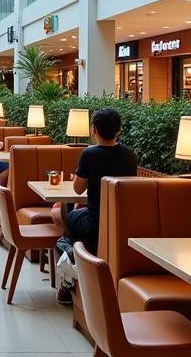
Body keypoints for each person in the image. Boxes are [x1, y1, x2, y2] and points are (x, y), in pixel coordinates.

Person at [52, 106, 137, 259]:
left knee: (60, 213)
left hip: (94, 224)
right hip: (122, 223)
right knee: (79, 211)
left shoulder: (89, 154)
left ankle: (77, 249)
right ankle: (82, 249)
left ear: (94, 129)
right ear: (118, 130)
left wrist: (77, 177)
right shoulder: (130, 156)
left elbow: (78, 189)